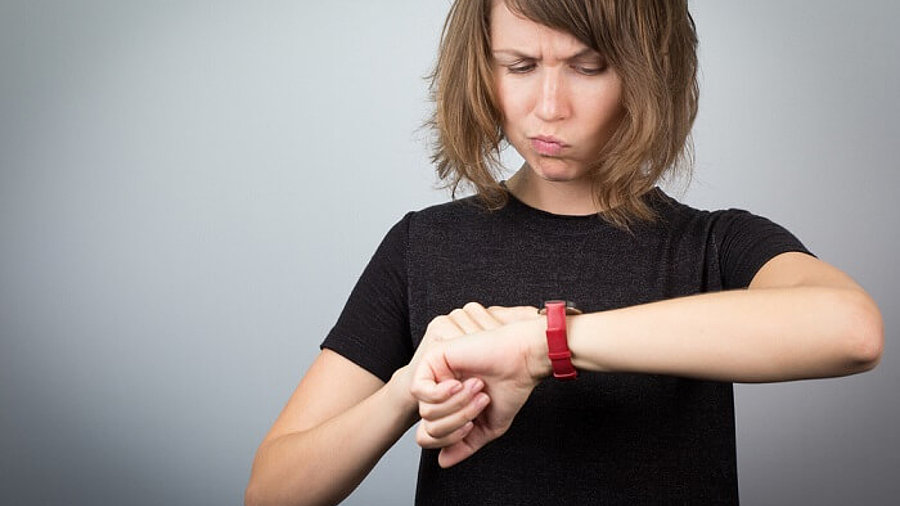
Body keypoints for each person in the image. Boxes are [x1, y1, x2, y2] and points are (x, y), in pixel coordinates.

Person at [245, 0, 884, 504]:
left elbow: (851, 330)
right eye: (518, 66)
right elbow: (272, 492)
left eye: (588, 66)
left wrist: (540, 347)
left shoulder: (715, 245)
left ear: (648, 71)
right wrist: (407, 389)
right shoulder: (424, 243)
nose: (547, 108)